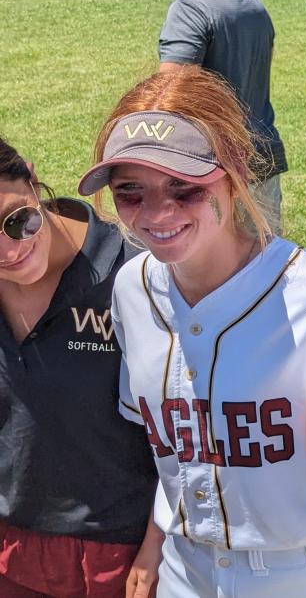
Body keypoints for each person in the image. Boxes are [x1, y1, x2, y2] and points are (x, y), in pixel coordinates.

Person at [79, 65, 306, 597]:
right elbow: (170, 452)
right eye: (130, 192)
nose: (157, 212)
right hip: (183, 569)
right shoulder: (131, 289)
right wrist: (153, 548)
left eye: (184, 187)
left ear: (235, 170)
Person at [0, 138, 156, 596]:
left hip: (122, 557)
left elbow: (184, 429)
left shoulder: (136, 271)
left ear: (31, 178)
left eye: (16, 221)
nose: (9, 252)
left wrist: (155, 548)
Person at [154, 0, 287, 231]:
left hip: (215, 168)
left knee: (216, 273)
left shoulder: (190, 7)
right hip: (263, 158)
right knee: (266, 264)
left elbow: (170, 91)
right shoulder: (253, 4)